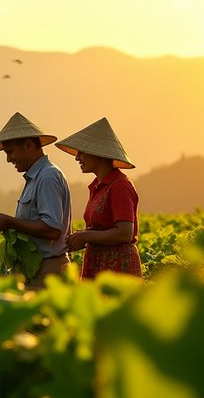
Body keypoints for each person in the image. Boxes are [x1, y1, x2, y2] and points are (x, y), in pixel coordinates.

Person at [0, 112, 72, 290]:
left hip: (48, 270)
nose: (8, 159)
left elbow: (52, 229)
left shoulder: (47, 176)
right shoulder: (35, 178)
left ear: (28, 145)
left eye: (10, 152)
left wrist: (10, 222)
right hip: (36, 270)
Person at [55, 117, 142, 279]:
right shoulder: (97, 185)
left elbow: (124, 233)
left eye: (82, 152)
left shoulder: (120, 185)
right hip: (97, 263)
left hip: (117, 270)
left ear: (99, 154)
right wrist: (81, 236)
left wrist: (86, 236)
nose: (77, 157)